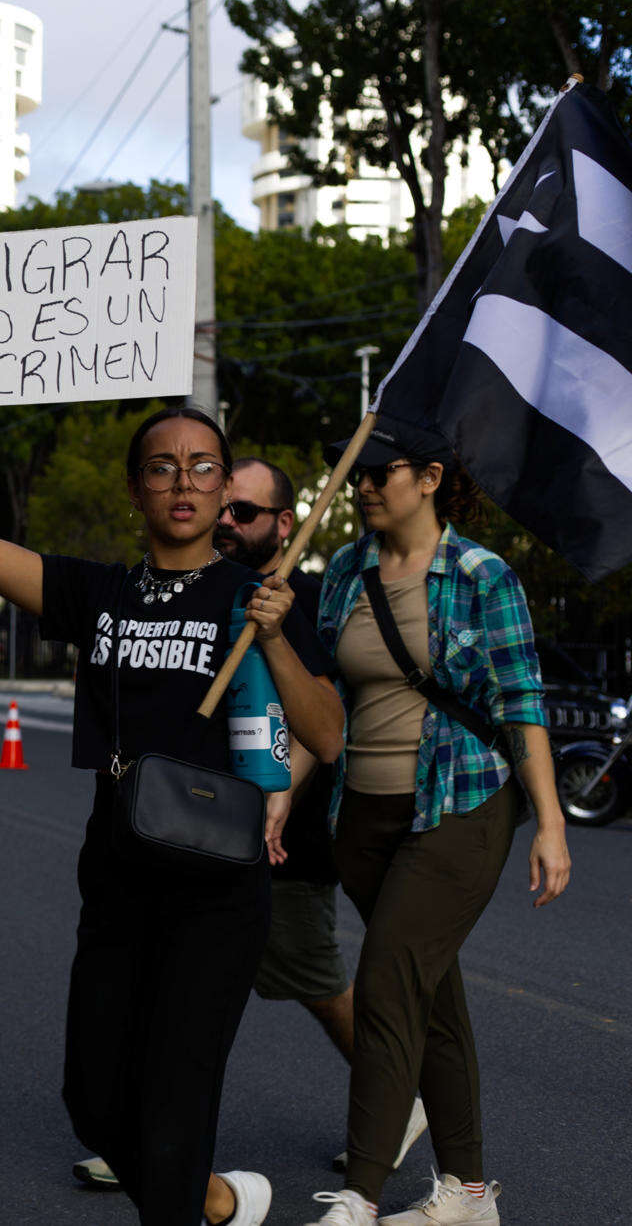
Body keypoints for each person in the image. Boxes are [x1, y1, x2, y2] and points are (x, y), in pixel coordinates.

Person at [0, 355, 344, 1226]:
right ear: (137, 488)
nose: (183, 482)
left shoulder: (257, 594)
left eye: (202, 467)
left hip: (218, 885)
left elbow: (328, 733)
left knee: (173, 1106)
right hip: (117, 868)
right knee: (92, 1096)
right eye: (163, 467)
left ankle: (186, 1195)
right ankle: (219, 1200)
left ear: (226, 488)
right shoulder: (102, 591)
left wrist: (271, 641)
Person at [299, 417, 571, 1226]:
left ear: (430, 477)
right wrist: (286, 795)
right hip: (363, 814)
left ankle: (359, 1196)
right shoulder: (346, 569)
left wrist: (551, 823)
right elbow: (329, 703)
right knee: (431, 993)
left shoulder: (483, 576)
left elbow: (522, 705)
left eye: (382, 471)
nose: (364, 485)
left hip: (463, 803)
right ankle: (468, 1195)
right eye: (356, 473)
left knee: (387, 978)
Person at [216, 459, 428, 1175]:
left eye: (244, 512)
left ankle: (403, 1098)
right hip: (209, 823)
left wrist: (280, 798)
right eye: (223, 507)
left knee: (311, 975)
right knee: (182, 969)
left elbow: (328, 717)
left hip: (289, 837)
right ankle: (151, 1131)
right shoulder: (214, 591)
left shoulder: (310, 598)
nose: (225, 520)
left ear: (284, 523)